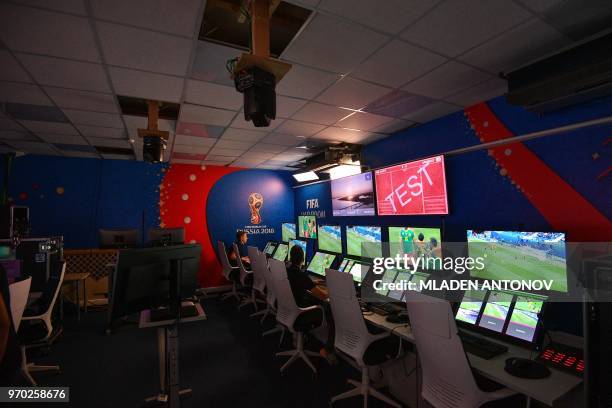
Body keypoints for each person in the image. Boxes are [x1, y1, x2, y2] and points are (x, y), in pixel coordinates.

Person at [285, 245, 336, 363]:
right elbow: (323, 296)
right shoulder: (301, 276)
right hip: (300, 313)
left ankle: (300, 338)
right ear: (303, 259)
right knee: (328, 307)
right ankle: (328, 349)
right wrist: (334, 292)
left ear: (291, 258)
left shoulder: (288, 271)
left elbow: (303, 283)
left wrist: (310, 282)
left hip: (289, 310)